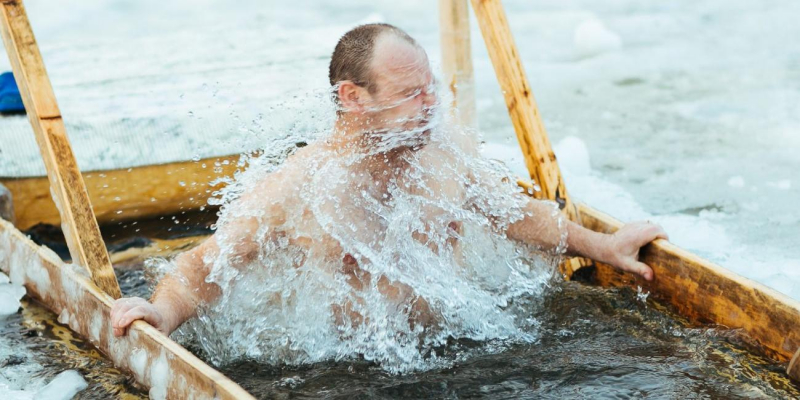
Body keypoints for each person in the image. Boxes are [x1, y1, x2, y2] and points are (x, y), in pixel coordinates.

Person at [110, 23, 667, 340]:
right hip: (348, 376)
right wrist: (160, 312)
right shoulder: (302, 185)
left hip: (455, 353)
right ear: (354, 98)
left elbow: (514, 214)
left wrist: (604, 247)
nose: (430, 107)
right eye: (409, 95)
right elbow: (204, 268)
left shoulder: (442, 155)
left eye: (430, 89)